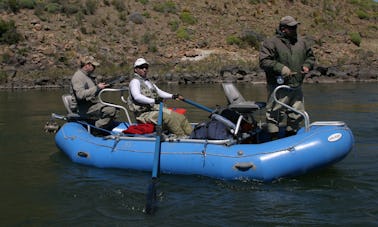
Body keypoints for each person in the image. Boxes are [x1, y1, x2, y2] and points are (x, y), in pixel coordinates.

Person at [259, 16, 315, 140]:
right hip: (278, 86)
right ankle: (273, 139)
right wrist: (281, 68)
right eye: (292, 27)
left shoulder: (302, 42)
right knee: (275, 114)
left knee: (296, 114)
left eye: (296, 26)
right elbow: (264, 61)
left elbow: (310, 57)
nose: (295, 29)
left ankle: (292, 137)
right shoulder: (271, 42)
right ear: (283, 29)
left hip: (297, 85)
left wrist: (307, 65)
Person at [127, 58, 192, 137]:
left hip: (154, 110)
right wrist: (154, 100)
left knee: (180, 117)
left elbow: (159, 92)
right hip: (143, 115)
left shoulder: (148, 81)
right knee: (168, 117)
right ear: (135, 69)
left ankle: (192, 135)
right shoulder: (134, 82)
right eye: (141, 67)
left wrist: (173, 96)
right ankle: (182, 137)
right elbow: (137, 97)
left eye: (146, 67)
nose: (144, 69)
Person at [71, 55, 117, 133]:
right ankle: (96, 129)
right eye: (93, 66)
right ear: (87, 65)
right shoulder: (78, 77)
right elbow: (80, 95)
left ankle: (102, 127)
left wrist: (104, 87)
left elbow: (93, 92)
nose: (95, 68)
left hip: (92, 104)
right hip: (83, 107)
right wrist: (97, 88)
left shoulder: (88, 76)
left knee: (115, 108)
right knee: (111, 110)